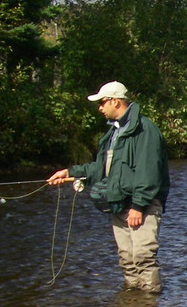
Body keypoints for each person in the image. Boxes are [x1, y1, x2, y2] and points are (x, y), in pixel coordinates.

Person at [48, 81, 170, 292]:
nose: (100, 108)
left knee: (143, 258)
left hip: (140, 206)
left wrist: (138, 206)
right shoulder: (112, 133)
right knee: (127, 261)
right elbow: (100, 168)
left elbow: (149, 172)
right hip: (118, 204)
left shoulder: (145, 129)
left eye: (102, 102)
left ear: (115, 101)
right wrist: (70, 173)